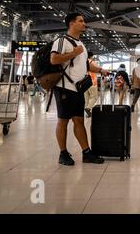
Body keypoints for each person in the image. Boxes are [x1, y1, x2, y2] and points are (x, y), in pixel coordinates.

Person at [50, 12, 109, 166]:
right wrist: (73, 53)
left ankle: (86, 152)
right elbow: (54, 59)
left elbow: (87, 66)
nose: (84, 24)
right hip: (64, 88)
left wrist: (101, 70)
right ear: (71, 23)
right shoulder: (62, 41)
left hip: (78, 89)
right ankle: (62, 153)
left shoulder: (81, 44)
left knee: (79, 121)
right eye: (81, 21)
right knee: (63, 121)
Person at [84, 52, 99, 117]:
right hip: (92, 82)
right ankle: (88, 108)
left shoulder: (83, 62)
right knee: (94, 97)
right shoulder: (93, 63)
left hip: (84, 83)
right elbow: (97, 70)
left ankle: (88, 114)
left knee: (86, 98)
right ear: (91, 56)